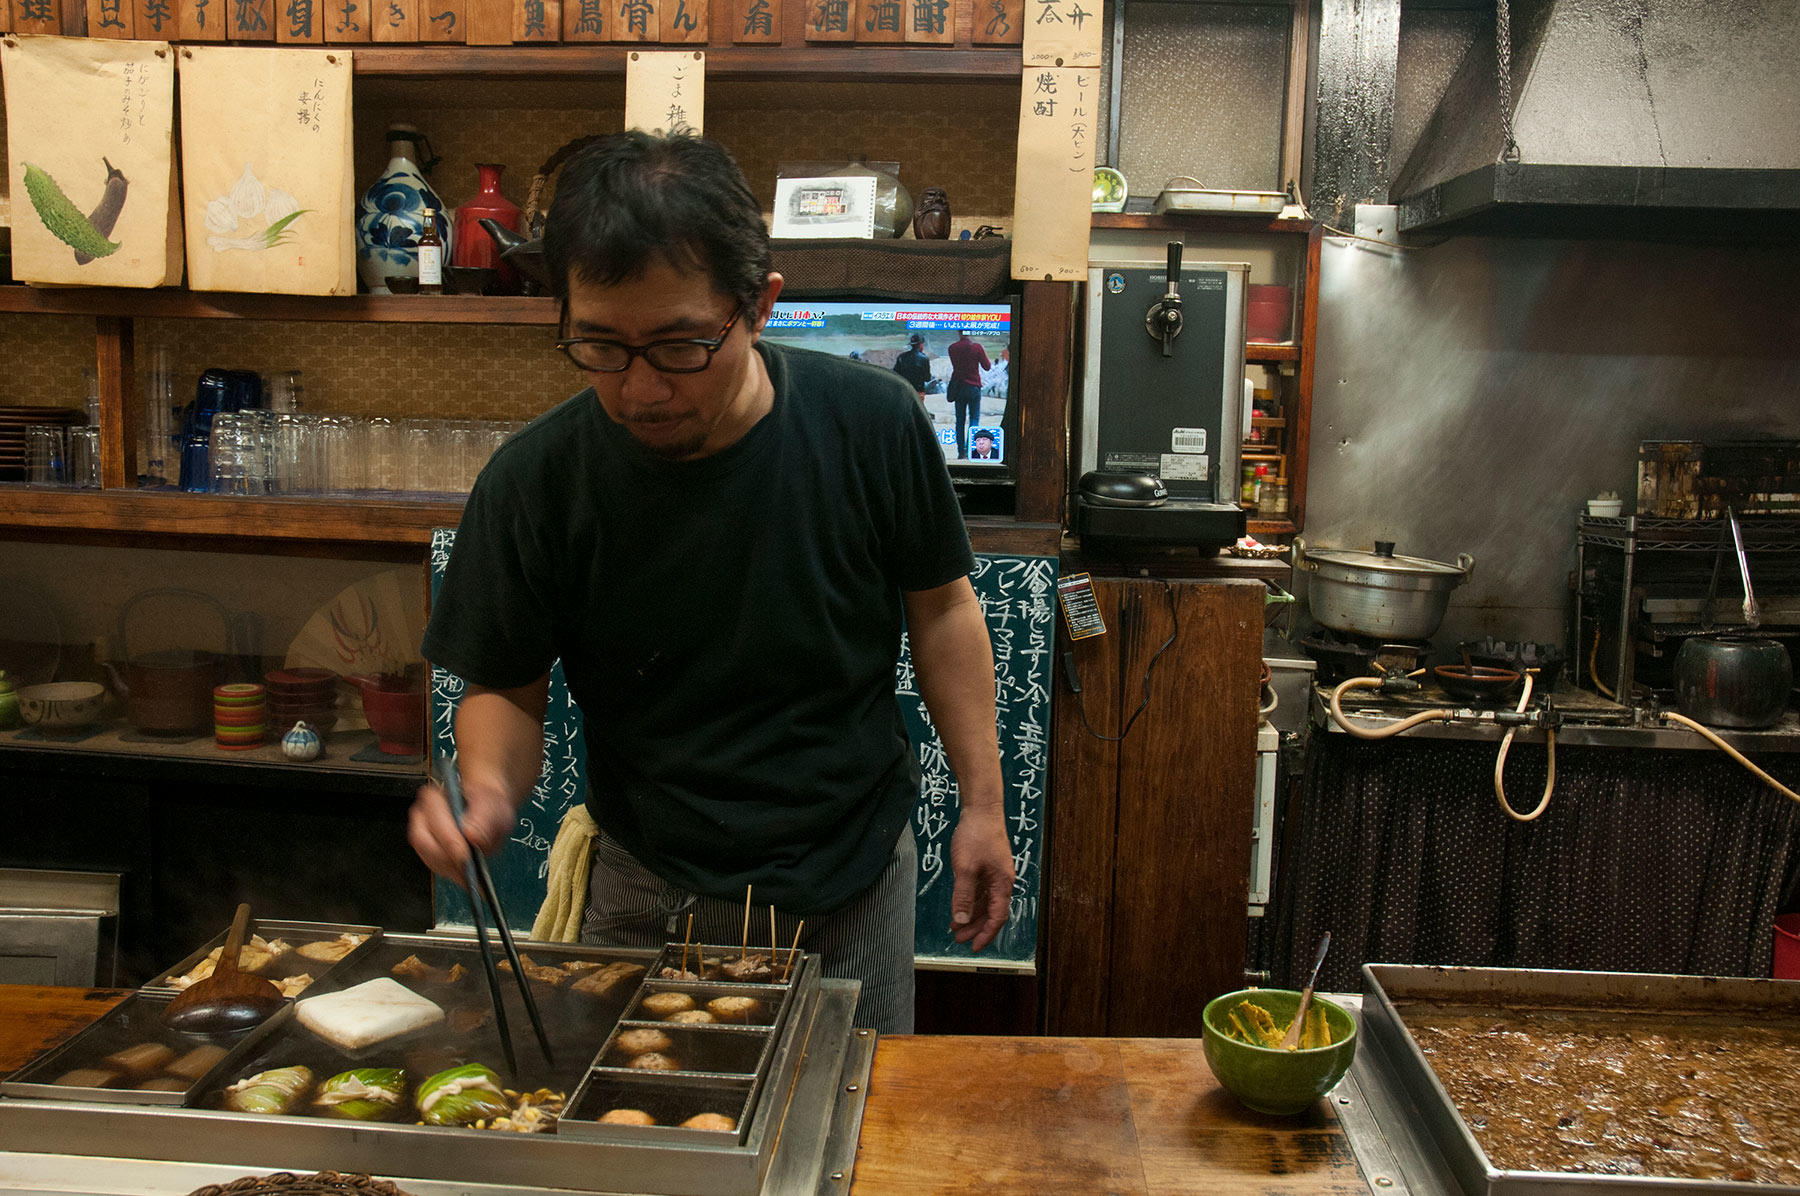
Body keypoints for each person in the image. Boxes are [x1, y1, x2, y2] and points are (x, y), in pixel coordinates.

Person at [407, 132, 1014, 1036]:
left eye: (681, 344)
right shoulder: (538, 481)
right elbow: (509, 686)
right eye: (601, 347)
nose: (642, 388)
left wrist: (983, 803)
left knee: (848, 1140)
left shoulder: (871, 425)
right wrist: (489, 790)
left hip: (851, 874)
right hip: (648, 876)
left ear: (758, 304)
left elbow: (943, 612)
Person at [945, 329, 991, 459]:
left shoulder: (952, 348)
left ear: (958, 333)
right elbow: (987, 366)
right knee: (974, 419)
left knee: (960, 420)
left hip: (959, 387)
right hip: (973, 387)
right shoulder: (977, 347)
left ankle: (961, 452)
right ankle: (971, 449)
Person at [892, 332, 932, 401]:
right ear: (920, 344)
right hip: (918, 391)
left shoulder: (901, 357)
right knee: (917, 410)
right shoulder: (924, 358)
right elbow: (927, 378)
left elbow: (895, 374)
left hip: (904, 390)